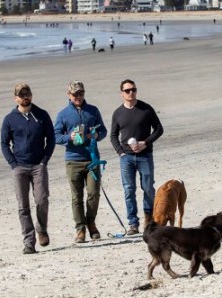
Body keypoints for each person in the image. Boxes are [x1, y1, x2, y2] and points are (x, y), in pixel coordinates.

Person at [0, 83, 55, 254]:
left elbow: (51, 139)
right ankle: (29, 242)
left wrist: (44, 160)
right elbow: (4, 143)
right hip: (19, 167)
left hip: (38, 165)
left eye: (28, 93)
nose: (25, 97)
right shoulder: (10, 119)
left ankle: (42, 229)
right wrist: (13, 164)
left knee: (42, 200)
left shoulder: (41, 115)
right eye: (22, 94)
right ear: (15, 98)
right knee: (23, 206)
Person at [54, 81, 108, 243]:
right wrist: (69, 137)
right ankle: (80, 228)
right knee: (76, 197)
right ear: (69, 95)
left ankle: (91, 222)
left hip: (92, 159)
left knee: (93, 193)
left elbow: (103, 130)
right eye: (75, 94)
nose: (78, 97)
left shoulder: (93, 110)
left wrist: (96, 135)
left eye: (81, 93)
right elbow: (55, 136)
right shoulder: (63, 114)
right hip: (73, 160)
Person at [110, 79, 164, 236]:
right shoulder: (118, 113)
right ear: (121, 94)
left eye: (133, 89)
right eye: (127, 91)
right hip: (126, 158)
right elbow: (113, 135)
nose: (131, 93)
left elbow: (159, 129)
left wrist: (145, 143)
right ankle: (133, 223)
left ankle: (149, 219)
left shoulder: (146, 109)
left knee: (148, 187)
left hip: (145, 155)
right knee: (129, 189)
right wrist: (121, 152)